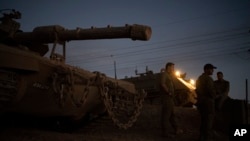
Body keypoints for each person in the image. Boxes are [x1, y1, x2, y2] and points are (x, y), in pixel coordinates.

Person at [195, 63, 217, 141]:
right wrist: (215, 96)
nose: (213, 71)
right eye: (211, 69)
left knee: (203, 121)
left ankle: (201, 137)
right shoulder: (208, 79)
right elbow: (210, 90)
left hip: (201, 102)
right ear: (206, 69)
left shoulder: (199, 78)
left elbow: (197, 90)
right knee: (209, 122)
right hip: (208, 102)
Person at [160, 62, 181, 138]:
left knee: (172, 115)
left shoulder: (169, 75)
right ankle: (165, 133)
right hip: (166, 98)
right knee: (166, 116)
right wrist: (168, 92)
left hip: (170, 98)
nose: (173, 69)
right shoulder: (164, 74)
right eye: (172, 67)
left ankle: (176, 129)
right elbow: (162, 84)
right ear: (168, 67)